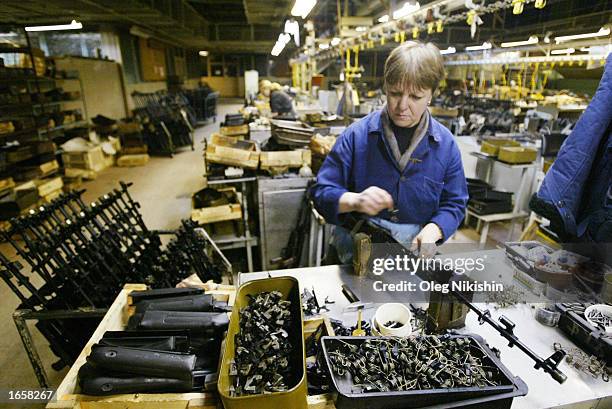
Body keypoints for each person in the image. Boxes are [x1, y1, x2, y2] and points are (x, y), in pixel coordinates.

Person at [311, 41, 468, 262]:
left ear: (431, 95)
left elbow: (455, 203)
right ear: (386, 86)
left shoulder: (446, 146)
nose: (402, 106)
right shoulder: (356, 136)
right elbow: (320, 192)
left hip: (411, 256)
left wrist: (436, 228)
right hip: (351, 252)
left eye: (415, 97)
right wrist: (353, 200)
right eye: (395, 93)